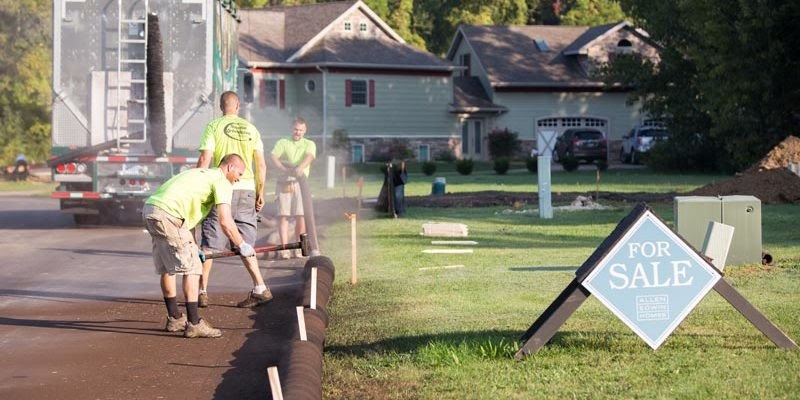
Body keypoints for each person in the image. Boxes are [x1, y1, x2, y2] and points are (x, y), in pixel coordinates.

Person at [143, 153, 254, 338]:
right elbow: (225, 220)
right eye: (240, 174)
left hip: (151, 210)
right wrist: (242, 245)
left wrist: (192, 245)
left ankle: (175, 318)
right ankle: (194, 324)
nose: (239, 179)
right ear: (229, 167)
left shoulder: (199, 174)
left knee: (168, 268)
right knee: (193, 269)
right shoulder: (222, 181)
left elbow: (187, 213)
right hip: (170, 215)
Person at [196, 91, 271, 308]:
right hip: (247, 189)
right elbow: (262, 165)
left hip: (222, 188)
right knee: (244, 243)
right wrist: (261, 192)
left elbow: (205, 159)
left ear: (221, 107)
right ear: (238, 106)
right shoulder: (251, 129)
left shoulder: (213, 126)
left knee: (210, 242)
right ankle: (259, 287)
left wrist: (199, 187)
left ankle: (202, 291)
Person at [270, 117, 316, 259]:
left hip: (300, 184)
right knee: (283, 215)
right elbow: (273, 156)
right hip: (285, 182)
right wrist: (283, 168)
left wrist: (300, 168)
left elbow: (309, 157)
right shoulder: (283, 142)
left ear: (305, 130)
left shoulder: (309, 144)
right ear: (292, 129)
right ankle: (284, 248)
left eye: (301, 130)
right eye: (296, 129)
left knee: (300, 216)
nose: (298, 132)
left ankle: (298, 246)